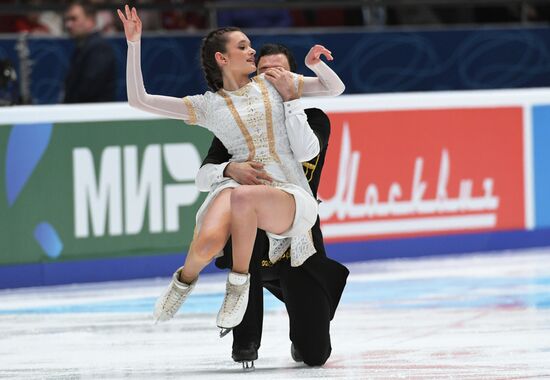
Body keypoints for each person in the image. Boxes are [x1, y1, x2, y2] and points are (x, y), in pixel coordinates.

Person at [117, 5, 345, 334]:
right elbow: (139, 100)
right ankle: (183, 282)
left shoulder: (272, 83)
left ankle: (238, 286)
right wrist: (134, 44)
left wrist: (313, 66)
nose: (252, 50)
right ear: (222, 59)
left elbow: (333, 88)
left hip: (288, 191)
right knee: (209, 239)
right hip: (239, 189)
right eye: (242, 46)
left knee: (242, 198)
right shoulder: (207, 106)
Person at [196, 43, 349, 367]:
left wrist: (292, 99)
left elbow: (306, 152)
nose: (272, 78)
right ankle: (246, 343)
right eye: (264, 71)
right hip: (254, 231)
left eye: (281, 72)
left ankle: (303, 312)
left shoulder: (313, 119)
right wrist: (227, 168)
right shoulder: (233, 123)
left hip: (298, 235)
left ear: (294, 77)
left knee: (315, 355)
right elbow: (202, 176)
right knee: (244, 233)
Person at [64, 0, 117, 103]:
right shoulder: (83, 47)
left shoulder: (99, 48)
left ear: (90, 20)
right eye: (67, 19)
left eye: (74, 19)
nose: (68, 25)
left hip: (94, 115)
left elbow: (89, 89)